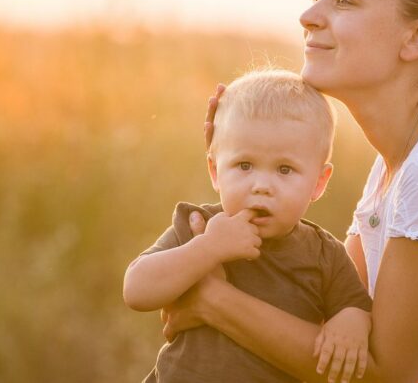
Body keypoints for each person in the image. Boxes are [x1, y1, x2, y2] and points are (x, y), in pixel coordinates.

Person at [160, 0, 418, 383]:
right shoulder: (397, 160)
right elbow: (320, 309)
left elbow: (384, 373)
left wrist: (212, 300)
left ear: (417, 38)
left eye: (342, 0)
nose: (308, 15)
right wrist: (237, 165)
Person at [123, 69, 373, 382]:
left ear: (318, 183)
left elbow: (356, 306)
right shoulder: (200, 226)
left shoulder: (324, 255)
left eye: (285, 169)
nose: (261, 185)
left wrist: (350, 323)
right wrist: (208, 248)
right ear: (215, 171)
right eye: (244, 165)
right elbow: (136, 290)